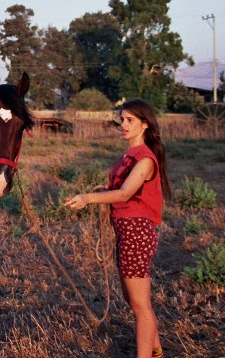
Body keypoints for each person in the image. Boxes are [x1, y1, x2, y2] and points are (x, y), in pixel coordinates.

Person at [63, 98, 171, 358]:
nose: (123, 124)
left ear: (144, 125)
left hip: (136, 232)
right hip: (125, 231)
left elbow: (124, 195)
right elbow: (122, 190)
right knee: (133, 299)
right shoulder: (129, 155)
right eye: (122, 119)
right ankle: (155, 349)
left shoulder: (145, 158)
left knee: (140, 304)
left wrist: (89, 198)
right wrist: (105, 191)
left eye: (129, 120)